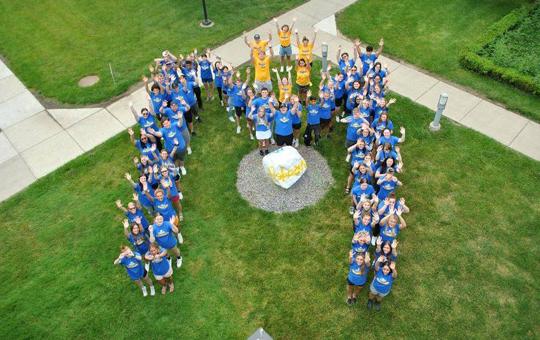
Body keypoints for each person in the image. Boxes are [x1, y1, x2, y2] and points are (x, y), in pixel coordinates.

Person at [225, 68, 250, 134]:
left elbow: (247, 80)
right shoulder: (234, 88)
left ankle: (248, 124)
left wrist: (248, 74)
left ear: (242, 83)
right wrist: (232, 74)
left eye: (240, 82)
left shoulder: (243, 87)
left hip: (244, 104)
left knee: (247, 115)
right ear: (235, 83)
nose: (238, 83)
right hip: (237, 105)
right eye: (237, 82)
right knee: (237, 116)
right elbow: (230, 82)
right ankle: (238, 126)